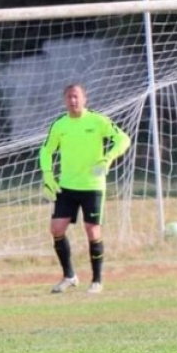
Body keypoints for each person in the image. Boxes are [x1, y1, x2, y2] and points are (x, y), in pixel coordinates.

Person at [39, 84, 131, 295]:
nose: (73, 101)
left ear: (84, 99)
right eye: (69, 97)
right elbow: (46, 150)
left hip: (92, 186)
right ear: (65, 101)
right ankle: (69, 276)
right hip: (67, 186)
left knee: (92, 230)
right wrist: (47, 175)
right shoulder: (60, 125)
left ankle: (97, 280)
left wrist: (108, 158)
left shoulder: (98, 121)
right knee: (56, 229)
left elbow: (123, 139)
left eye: (76, 97)